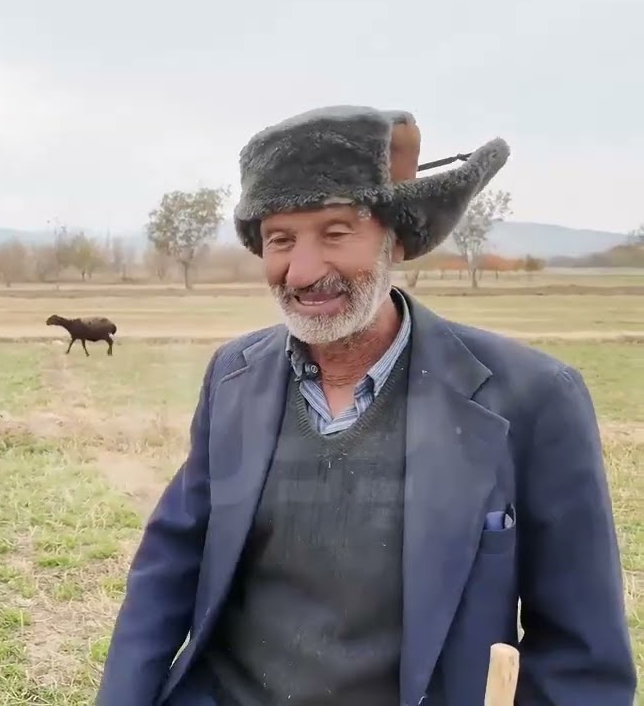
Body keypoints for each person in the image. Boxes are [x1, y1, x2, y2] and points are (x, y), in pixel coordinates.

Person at [95, 105, 635, 706]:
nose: (301, 271)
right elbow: (169, 566)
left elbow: (583, 660)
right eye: (280, 240)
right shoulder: (233, 374)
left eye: (335, 232)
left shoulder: (533, 398)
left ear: (395, 239)